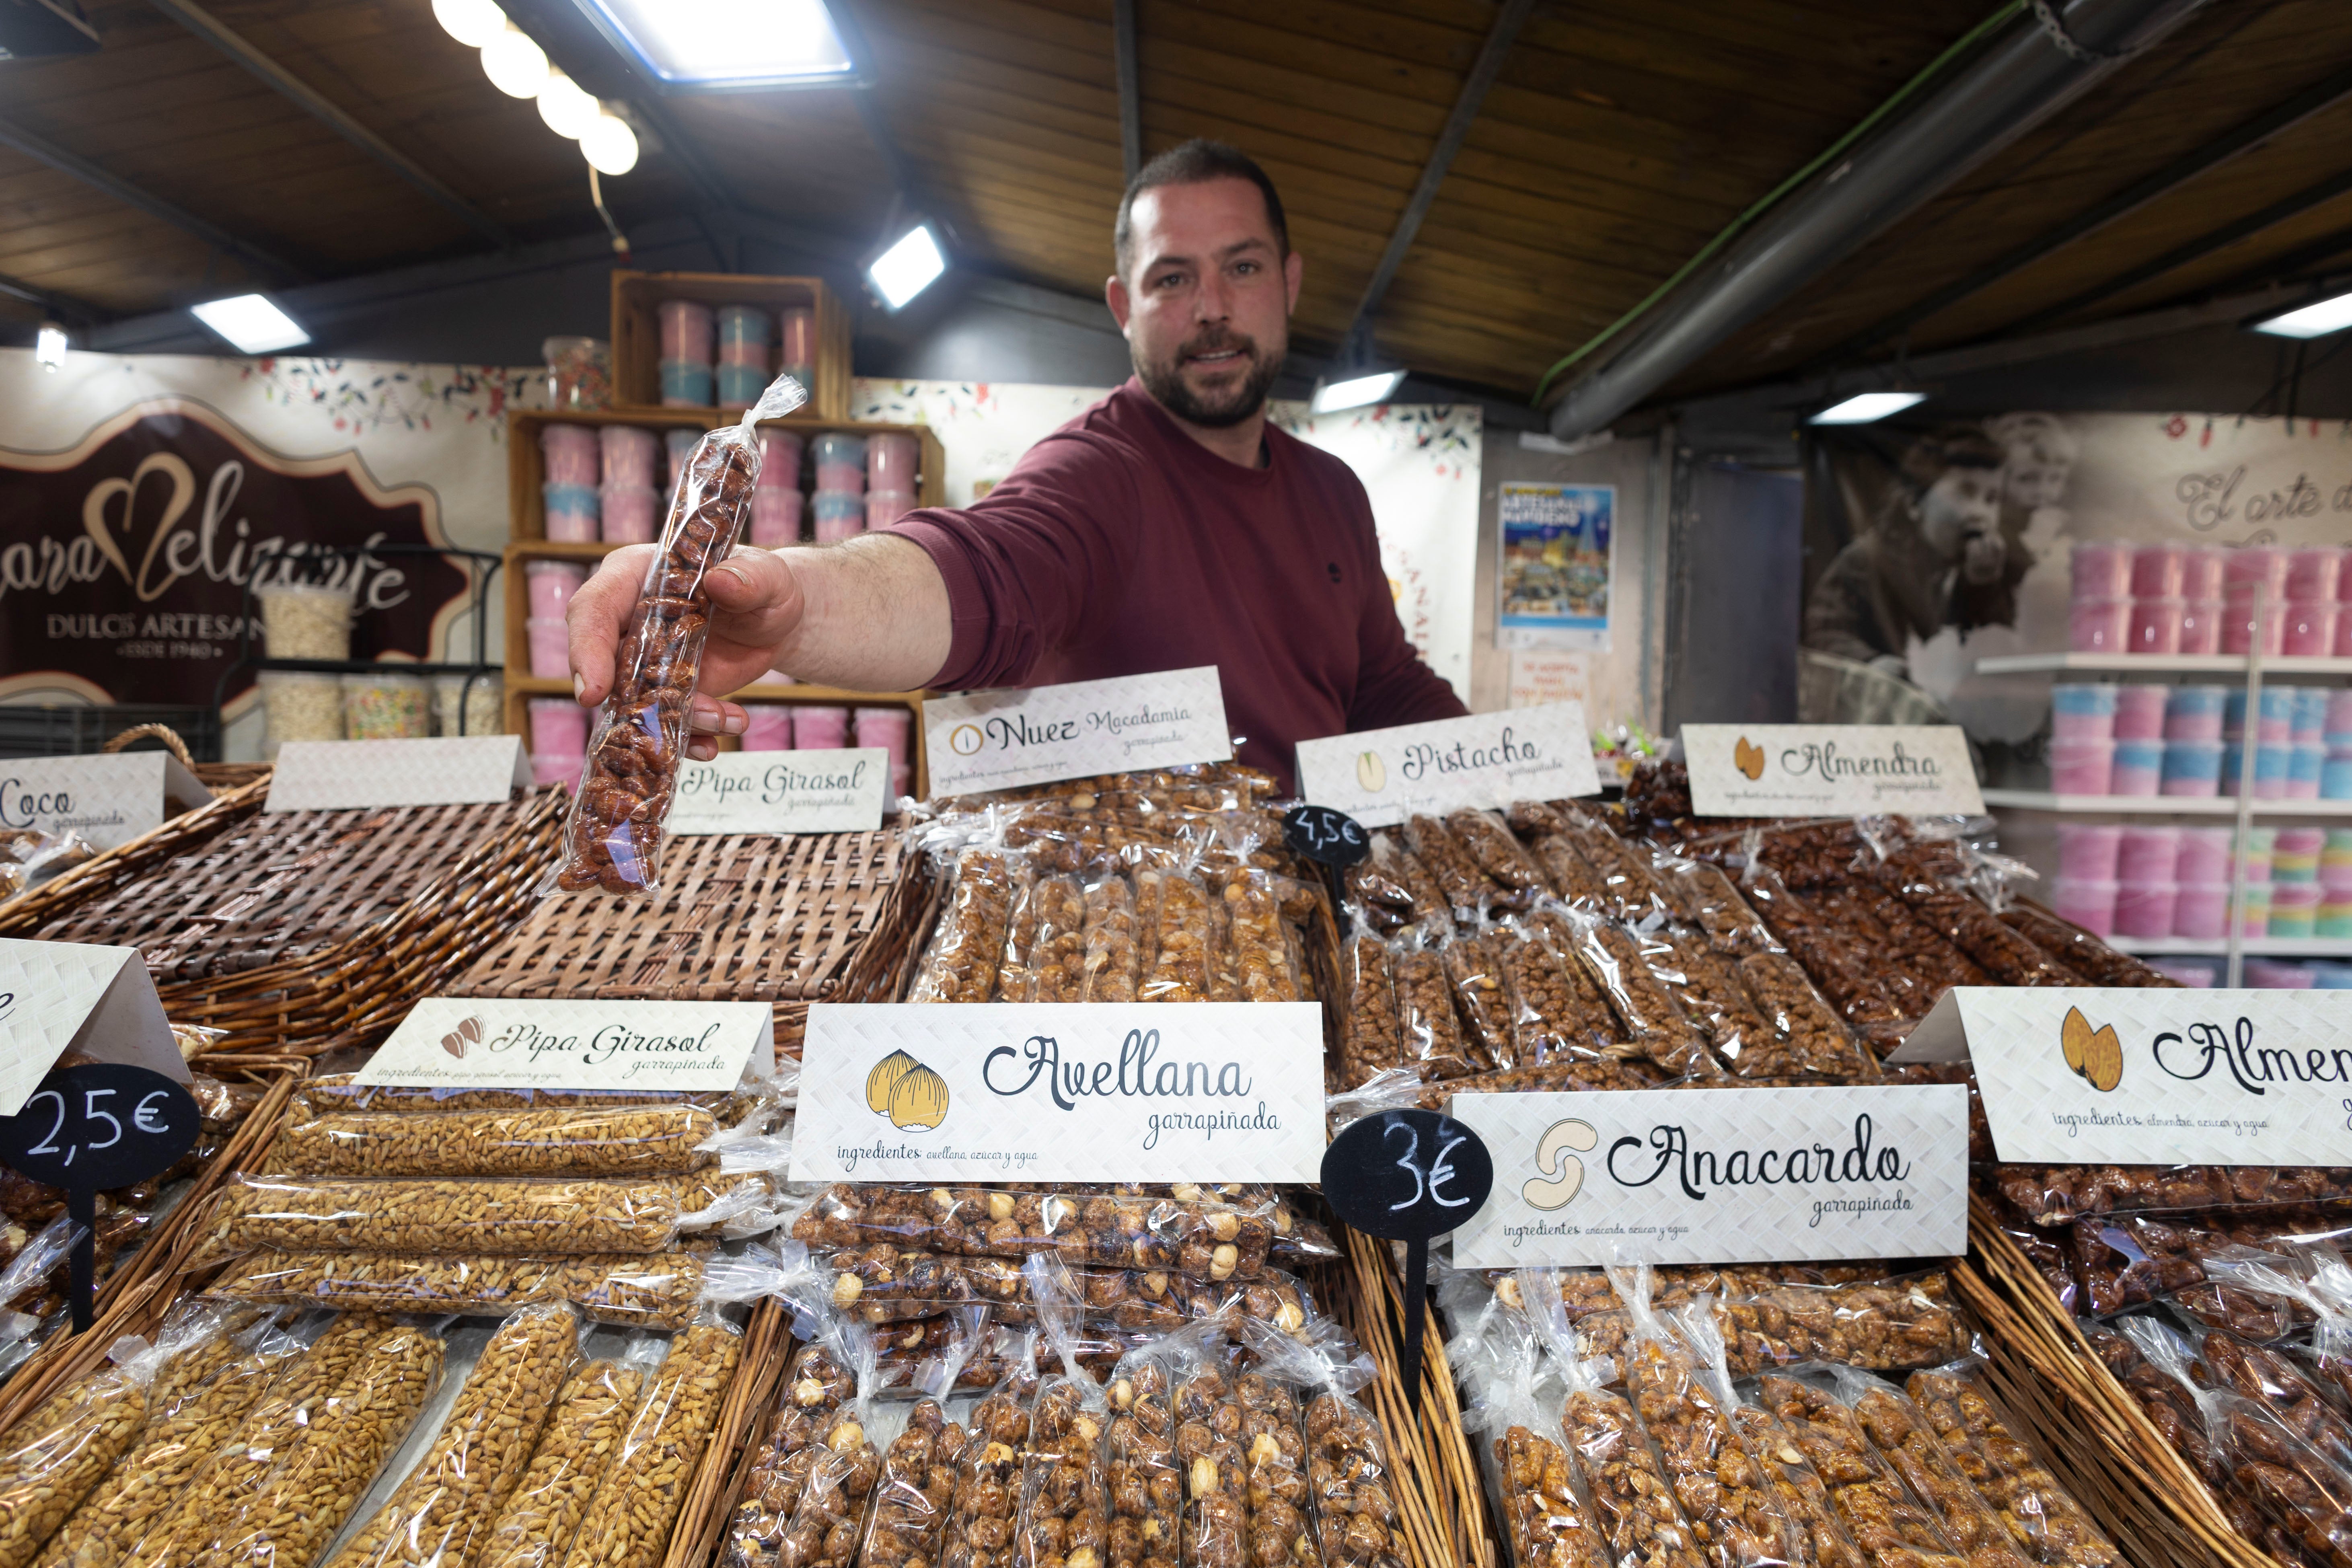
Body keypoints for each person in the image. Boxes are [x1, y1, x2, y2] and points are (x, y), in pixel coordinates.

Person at [566, 139, 1466, 792]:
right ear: (1122, 305)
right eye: (1171, 279)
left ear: (1289, 282)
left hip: (1313, 911)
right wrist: (792, 602)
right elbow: (986, 570)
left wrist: (1518, 769)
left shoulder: (1332, 492)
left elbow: (1381, 682)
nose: (1211, 308)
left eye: (1242, 267)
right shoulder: (1101, 470)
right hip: (1144, 939)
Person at [1801, 424, 2008, 678]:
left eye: (1992, 499)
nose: (1981, 512)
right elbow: (1824, 632)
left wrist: (1982, 588)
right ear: (1914, 504)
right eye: (1966, 493)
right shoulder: (1867, 559)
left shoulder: (1978, 571)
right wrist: (1871, 662)